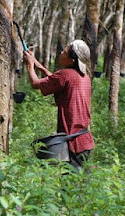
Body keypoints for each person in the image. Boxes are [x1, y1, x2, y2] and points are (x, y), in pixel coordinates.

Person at [23, 40, 94, 169]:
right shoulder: (84, 77)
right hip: (84, 140)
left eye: (65, 52)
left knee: (71, 185)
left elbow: (35, 83)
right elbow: (56, 80)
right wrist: (37, 64)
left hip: (73, 143)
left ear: (72, 60)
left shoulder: (65, 75)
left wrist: (30, 65)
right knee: (81, 182)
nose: (61, 53)